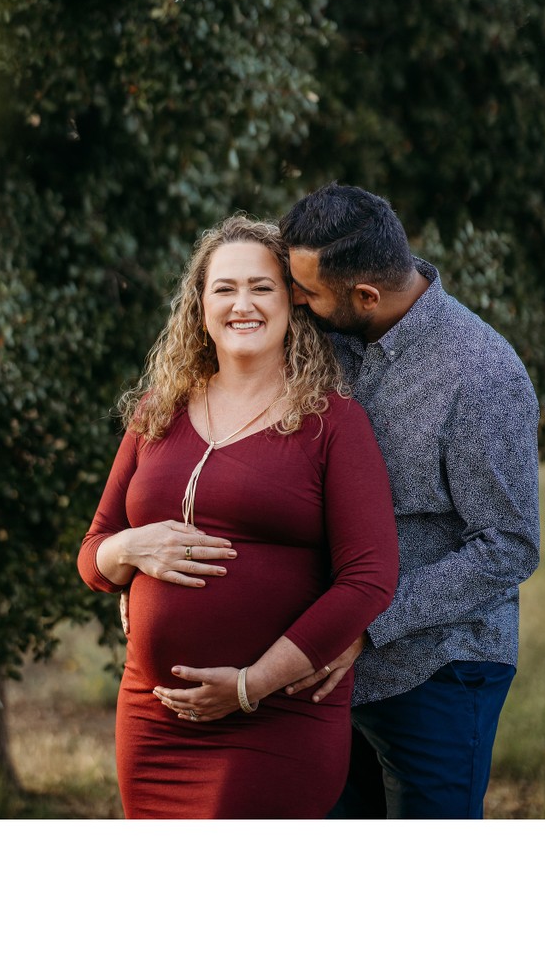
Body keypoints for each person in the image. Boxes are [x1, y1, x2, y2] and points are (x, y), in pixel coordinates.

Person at [78, 214, 399, 819]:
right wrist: (132, 549)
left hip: (276, 720)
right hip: (153, 720)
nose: (242, 304)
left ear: (291, 303)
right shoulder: (158, 411)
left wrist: (251, 686)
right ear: (200, 306)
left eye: (262, 287)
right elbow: (94, 551)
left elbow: (369, 578)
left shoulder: (332, 422)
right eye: (225, 288)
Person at [278, 182, 540, 819]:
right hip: (328, 677)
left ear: (365, 295)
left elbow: (508, 548)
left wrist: (367, 627)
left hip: (438, 673)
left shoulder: (480, 374)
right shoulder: (323, 341)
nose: (294, 301)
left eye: (306, 292)